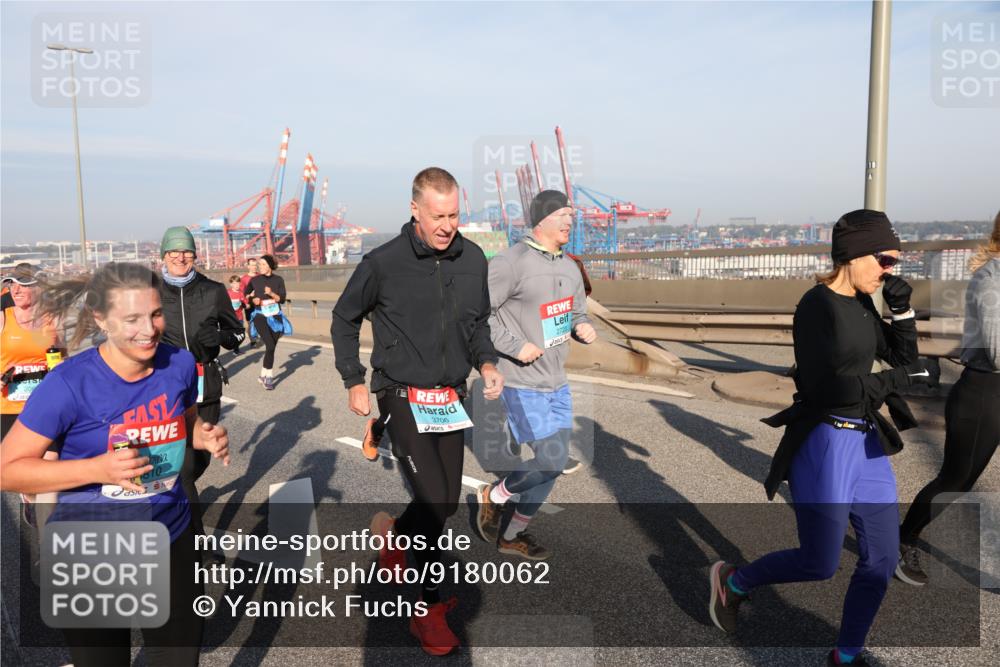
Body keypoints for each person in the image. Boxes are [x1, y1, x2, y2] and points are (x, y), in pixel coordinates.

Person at [708, 210, 929, 667]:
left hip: (866, 441)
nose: (890, 270)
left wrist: (903, 312)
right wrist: (896, 381)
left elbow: (904, 358)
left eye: (895, 262)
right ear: (853, 254)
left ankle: (845, 654)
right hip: (825, 442)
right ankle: (733, 582)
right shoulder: (817, 306)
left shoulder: (864, 303)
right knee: (820, 563)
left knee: (882, 559)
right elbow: (829, 389)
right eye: (885, 260)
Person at [0, 262, 230, 667]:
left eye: (155, 314)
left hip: (170, 533)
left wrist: (200, 435)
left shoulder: (178, 363)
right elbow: (7, 469)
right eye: (132, 319)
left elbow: (185, 418)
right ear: (101, 319)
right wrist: (98, 470)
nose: (149, 330)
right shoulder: (68, 384)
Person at [332, 167, 503, 656]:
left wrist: (487, 363)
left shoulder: (473, 259)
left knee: (445, 505)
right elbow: (344, 317)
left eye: (454, 215)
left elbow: (478, 324)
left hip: (449, 397)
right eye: (437, 216)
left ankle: (394, 536)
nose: (447, 226)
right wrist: (353, 379)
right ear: (415, 210)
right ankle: (427, 610)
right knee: (431, 502)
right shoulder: (383, 262)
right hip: (400, 392)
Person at [475, 190, 597, 560]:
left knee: (552, 467)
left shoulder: (570, 267)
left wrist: (582, 326)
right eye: (562, 214)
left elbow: (576, 312)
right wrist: (515, 346)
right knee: (551, 460)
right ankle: (493, 495)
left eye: (571, 215)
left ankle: (513, 534)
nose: (569, 221)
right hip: (521, 381)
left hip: (556, 381)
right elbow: (479, 316)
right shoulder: (510, 263)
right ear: (541, 219)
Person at [896, 210, 1000, 585]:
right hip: (985, 392)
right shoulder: (990, 279)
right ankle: (902, 540)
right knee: (956, 480)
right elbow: (997, 351)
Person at [158, 226, 244, 556]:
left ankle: (179, 498)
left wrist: (220, 338)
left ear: (195, 256)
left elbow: (237, 334)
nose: (180, 257)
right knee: (182, 470)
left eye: (187, 252)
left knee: (197, 463)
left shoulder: (213, 290)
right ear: (164, 256)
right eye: (174, 252)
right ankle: (194, 543)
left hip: (204, 383)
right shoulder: (151, 292)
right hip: (165, 384)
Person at [1, 264, 61, 441]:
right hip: (7, 408)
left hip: (44, 406)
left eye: (23, 284)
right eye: (12, 284)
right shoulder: (3, 318)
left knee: (50, 456)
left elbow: (63, 358)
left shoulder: (54, 319)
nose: (15, 290)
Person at [245, 254, 288, 390]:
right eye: (259, 264)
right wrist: (252, 300)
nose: (260, 267)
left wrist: (271, 294)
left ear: (270, 266)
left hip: (275, 316)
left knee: (271, 347)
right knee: (269, 345)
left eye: (263, 264)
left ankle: (263, 374)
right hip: (260, 316)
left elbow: (282, 299)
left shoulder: (278, 280)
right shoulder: (255, 280)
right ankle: (269, 377)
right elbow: (246, 294)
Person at [239, 257, 259, 346]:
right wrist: (249, 296)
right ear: (248, 266)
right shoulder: (244, 279)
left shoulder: (260, 276)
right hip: (249, 303)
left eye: (255, 265)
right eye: (252, 265)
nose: (254, 267)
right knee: (250, 322)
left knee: (260, 320)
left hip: (260, 303)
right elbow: (242, 293)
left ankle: (258, 335)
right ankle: (252, 340)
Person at [226, 275, 246, 355]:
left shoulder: (241, 293)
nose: (237, 285)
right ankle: (233, 348)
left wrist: (246, 303)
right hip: (230, 317)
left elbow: (245, 303)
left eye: (238, 283)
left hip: (239, 317)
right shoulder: (228, 293)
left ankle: (236, 349)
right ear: (231, 284)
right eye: (234, 283)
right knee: (232, 333)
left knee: (240, 333)